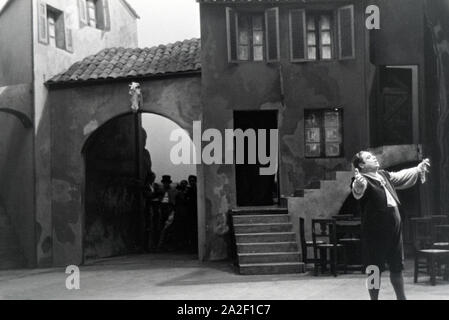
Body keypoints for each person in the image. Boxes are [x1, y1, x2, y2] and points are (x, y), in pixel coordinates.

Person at [351, 151, 430, 300]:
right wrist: (358, 184)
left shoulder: (383, 175)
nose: (374, 157)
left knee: (396, 267)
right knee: (374, 269)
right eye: (369, 157)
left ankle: (402, 298)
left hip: (394, 230)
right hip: (375, 233)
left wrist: (417, 169)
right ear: (361, 165)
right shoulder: (364, 180)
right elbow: (357, 189)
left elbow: (400, 176)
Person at [157, 175, 178, 251]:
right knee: (164, 227)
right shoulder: (163, 190)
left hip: (169, 209)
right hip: (164, 209)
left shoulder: (171, 191)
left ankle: (163, 245)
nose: (165, 184)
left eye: (166, 182)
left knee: (167, 228)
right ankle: (162, 245)